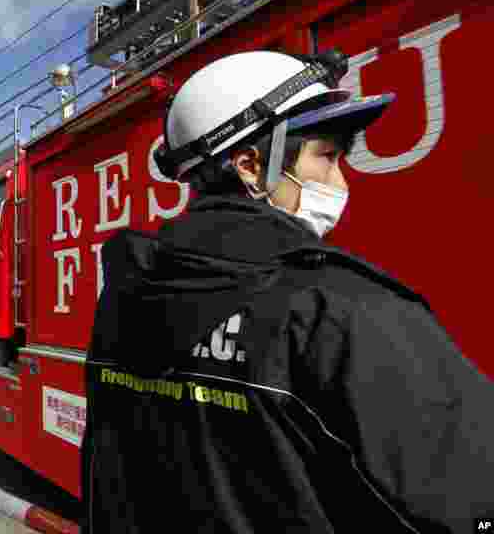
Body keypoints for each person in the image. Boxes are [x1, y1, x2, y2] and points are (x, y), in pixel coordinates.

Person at [81, 50, 494, 533]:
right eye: (327, 156)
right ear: (252, 166)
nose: (340, 180)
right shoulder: (342, 311)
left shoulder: (124, 295)